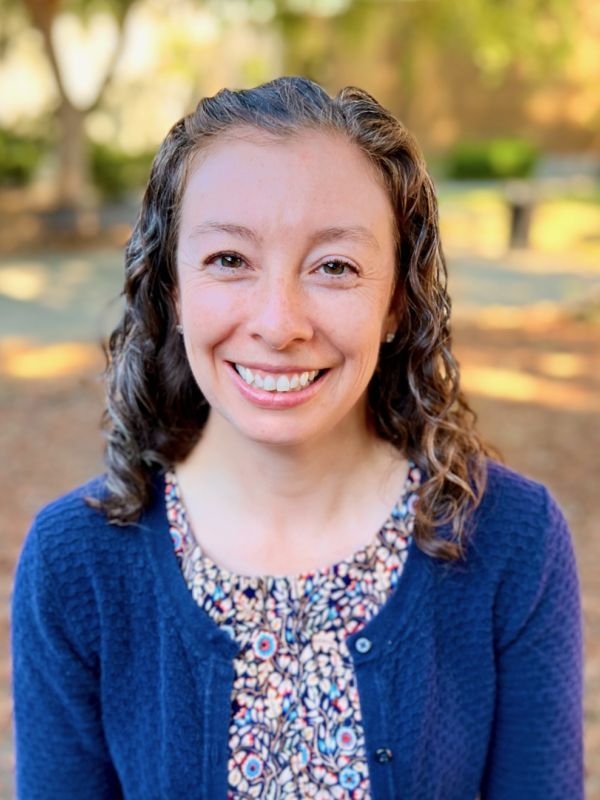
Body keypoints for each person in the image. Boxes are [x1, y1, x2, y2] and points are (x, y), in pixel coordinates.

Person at [11, 77, 583, 799]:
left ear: (396, 302)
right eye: (229, 260)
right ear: (173, 290)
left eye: (335, 267)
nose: (279, 323)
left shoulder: (512, 540)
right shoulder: (75, 564)